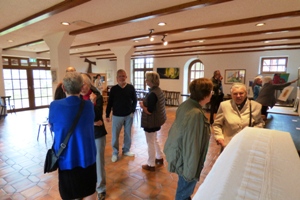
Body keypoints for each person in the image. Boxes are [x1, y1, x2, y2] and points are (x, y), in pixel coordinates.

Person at [48, 72, 97, 200]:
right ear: (81, 87)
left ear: (63, 88)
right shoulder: (88, 106)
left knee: (70, 194)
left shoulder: (55, 106)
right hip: (87, 157)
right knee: (89, 192)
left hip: (66, 158)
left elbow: (53, 127)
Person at [164, 78, 213, 200]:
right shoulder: (195, 114)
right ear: (205, 94)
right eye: (211, 91)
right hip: (188, 160)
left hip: (181, 154)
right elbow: (192, 144)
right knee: (184, 191)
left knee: (183, 188)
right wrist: (191, 171)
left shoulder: (187, 104)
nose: (212, 93)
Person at [80, 74, 107, 200]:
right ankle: (85, 188)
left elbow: (97, 117)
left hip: (97, 134)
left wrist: (93, 102)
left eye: (84, 84)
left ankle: (101, 188)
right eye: (79, 84)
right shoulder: (77, 97)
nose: (81, 87)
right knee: (84, 161)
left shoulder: (97, 96)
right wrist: (90, 122)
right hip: (83, 134)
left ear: (89, 84)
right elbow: (78, 118)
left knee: (98, 162)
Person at [213, 83, 264, 148]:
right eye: (235, 94)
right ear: (231, 95)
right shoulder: (224, 105)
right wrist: (219, 137)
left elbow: (259, 123)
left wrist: (252, 132)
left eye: (241, 93)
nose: (238, 96)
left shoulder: (256, 106)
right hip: (228, 144)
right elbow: (217, 124)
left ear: (246, 93)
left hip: (248, 143)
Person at [105, 69, 137, 162]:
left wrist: (132, 111)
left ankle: (126, 150)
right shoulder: (114, 89)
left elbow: (135, 100)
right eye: (120, 76)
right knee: (115, 135)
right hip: (117, 116)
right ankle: (115, 152)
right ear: (117, 78)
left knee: (128, 134)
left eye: (123, 76)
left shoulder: (131, 88)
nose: (122, 78)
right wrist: (107, 114)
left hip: (128, 115)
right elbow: (109, 103)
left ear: (126, 77)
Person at [139, 71, 166, 172]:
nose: (146, 81)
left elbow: (149, 111)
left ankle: (151, 164)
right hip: (156, 121)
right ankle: (159, 158)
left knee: (150, 142)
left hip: (151, 122)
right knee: (154, 139)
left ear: (151, 81)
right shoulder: (159, 91)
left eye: (147, 79)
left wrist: (142, 105)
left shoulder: (152, 94)